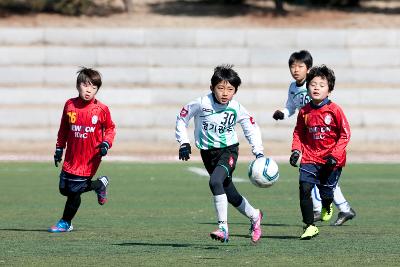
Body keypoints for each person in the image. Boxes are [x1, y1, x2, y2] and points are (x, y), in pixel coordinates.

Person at [175, 65, 265, 244]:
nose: (225, 93)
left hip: (228, 150)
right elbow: (181, 118)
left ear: (235, 91)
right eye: (221, 88)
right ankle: (255, 216)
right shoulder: (201, 103)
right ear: (212, 88)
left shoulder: (236, 107)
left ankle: (223, 228)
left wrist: (258, 152)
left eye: (230, 89)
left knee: (215, 181)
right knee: (230, 194)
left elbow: (251, 128)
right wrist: (183, 142)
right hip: (208, 154)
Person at [273, 50, 356, 226]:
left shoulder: (317, 89)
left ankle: (336, 208)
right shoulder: (293, 88)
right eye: (292, 66)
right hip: (310, 135)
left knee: (325, 183)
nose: (295, 70)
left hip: (324, 138)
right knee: (310, 181)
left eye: (300, 66)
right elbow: (291, 107)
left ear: (308, 69)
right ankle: (326, 209)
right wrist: (283, 113)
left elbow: (343, 131)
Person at [49, 67, 116, 233]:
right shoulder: (69, 105)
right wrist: (59, 148)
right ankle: (100, 184)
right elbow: (64, 128)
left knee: (74, 192)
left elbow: (110, 128)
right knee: (64, 189)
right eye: (86, 85)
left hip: (90, 157)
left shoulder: (101, 109)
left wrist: (106, 143)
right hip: (72, 156)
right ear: (78, 85)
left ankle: (66, 222)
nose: (89, 90)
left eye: (94, 88)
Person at [289, 65, 351, 240]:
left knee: (326, 193)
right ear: (307, 87)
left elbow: (345, 134)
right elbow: (299, 133)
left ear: (329, 90)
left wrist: (335, 155)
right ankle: (309, 226)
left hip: (331, 161)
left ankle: (327, 204)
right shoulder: (304, 111)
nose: (316, 88)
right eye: (313, 84)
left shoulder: (335, 110)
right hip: (309, 157)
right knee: (304, 188)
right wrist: (296, 150)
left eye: (321, 85)